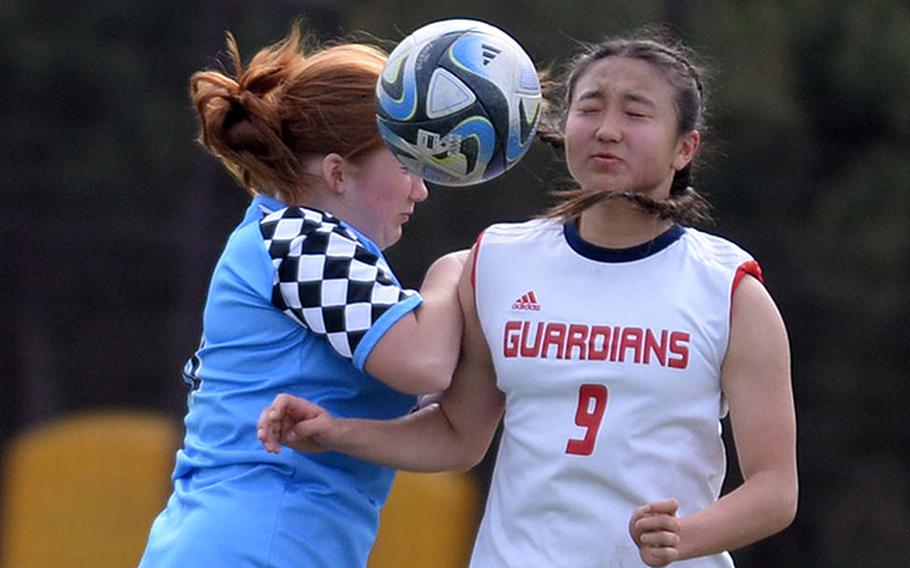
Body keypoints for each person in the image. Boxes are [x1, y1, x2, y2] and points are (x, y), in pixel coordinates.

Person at [259, 31, 798, 567]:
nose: (607, 130)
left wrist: (688, 535)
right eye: (589, 108)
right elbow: (457, 435)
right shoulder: (499, 262)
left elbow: (775, 489)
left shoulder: (730, 290)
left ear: (685, 147)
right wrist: (336, 432)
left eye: (636, 114)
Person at [139, 25, 467, 567]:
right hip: (257, 546)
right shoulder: (299, 237)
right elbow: (425, 365)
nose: (420, 189)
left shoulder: (286, 238)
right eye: (407, 164)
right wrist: (455, 269)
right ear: (337, 172)